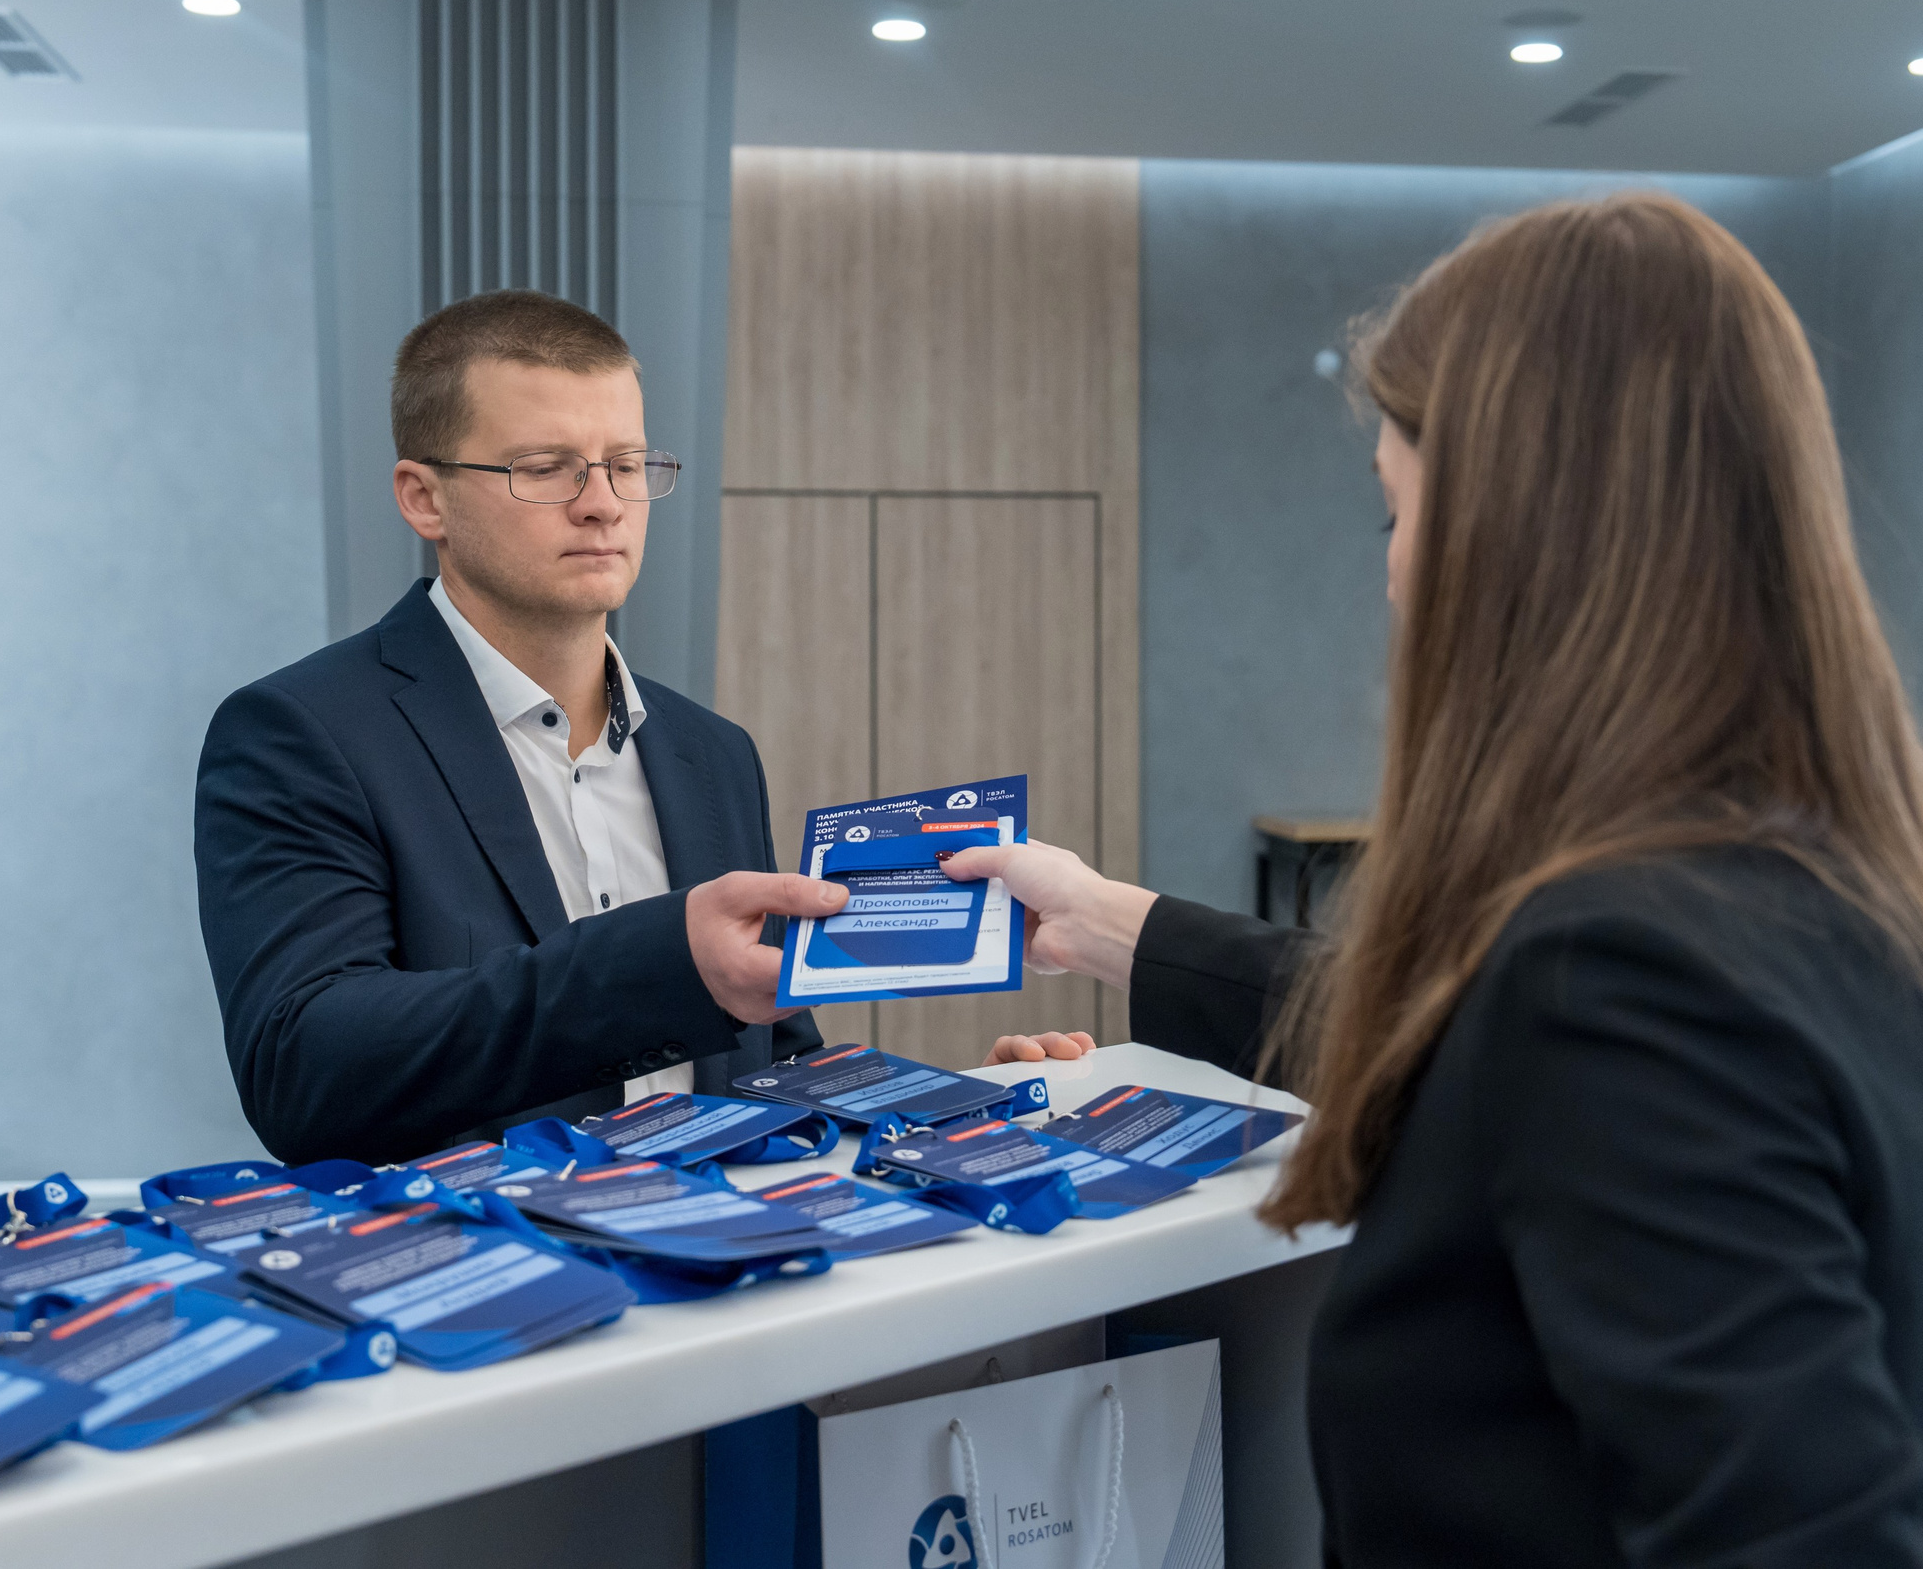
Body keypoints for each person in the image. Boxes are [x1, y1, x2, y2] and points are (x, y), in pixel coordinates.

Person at [956, 192, 1923, 1565]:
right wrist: (1111, 922)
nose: (1400, 580)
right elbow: (1432, 1024)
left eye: (1396, 516)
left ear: (1511, 540)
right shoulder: (1820, 889)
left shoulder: (1617, 975)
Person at [195, 289, 844, 1166]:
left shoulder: (713, 752)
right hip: (486, 1285)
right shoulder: (300, 733)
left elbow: (774, 1061)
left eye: (625, 463)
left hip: (734, 1276)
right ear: (425, 499)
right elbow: (306, 1069)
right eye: (546, 468)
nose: (604, 504)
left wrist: (949, 1109)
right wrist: (657, 963)